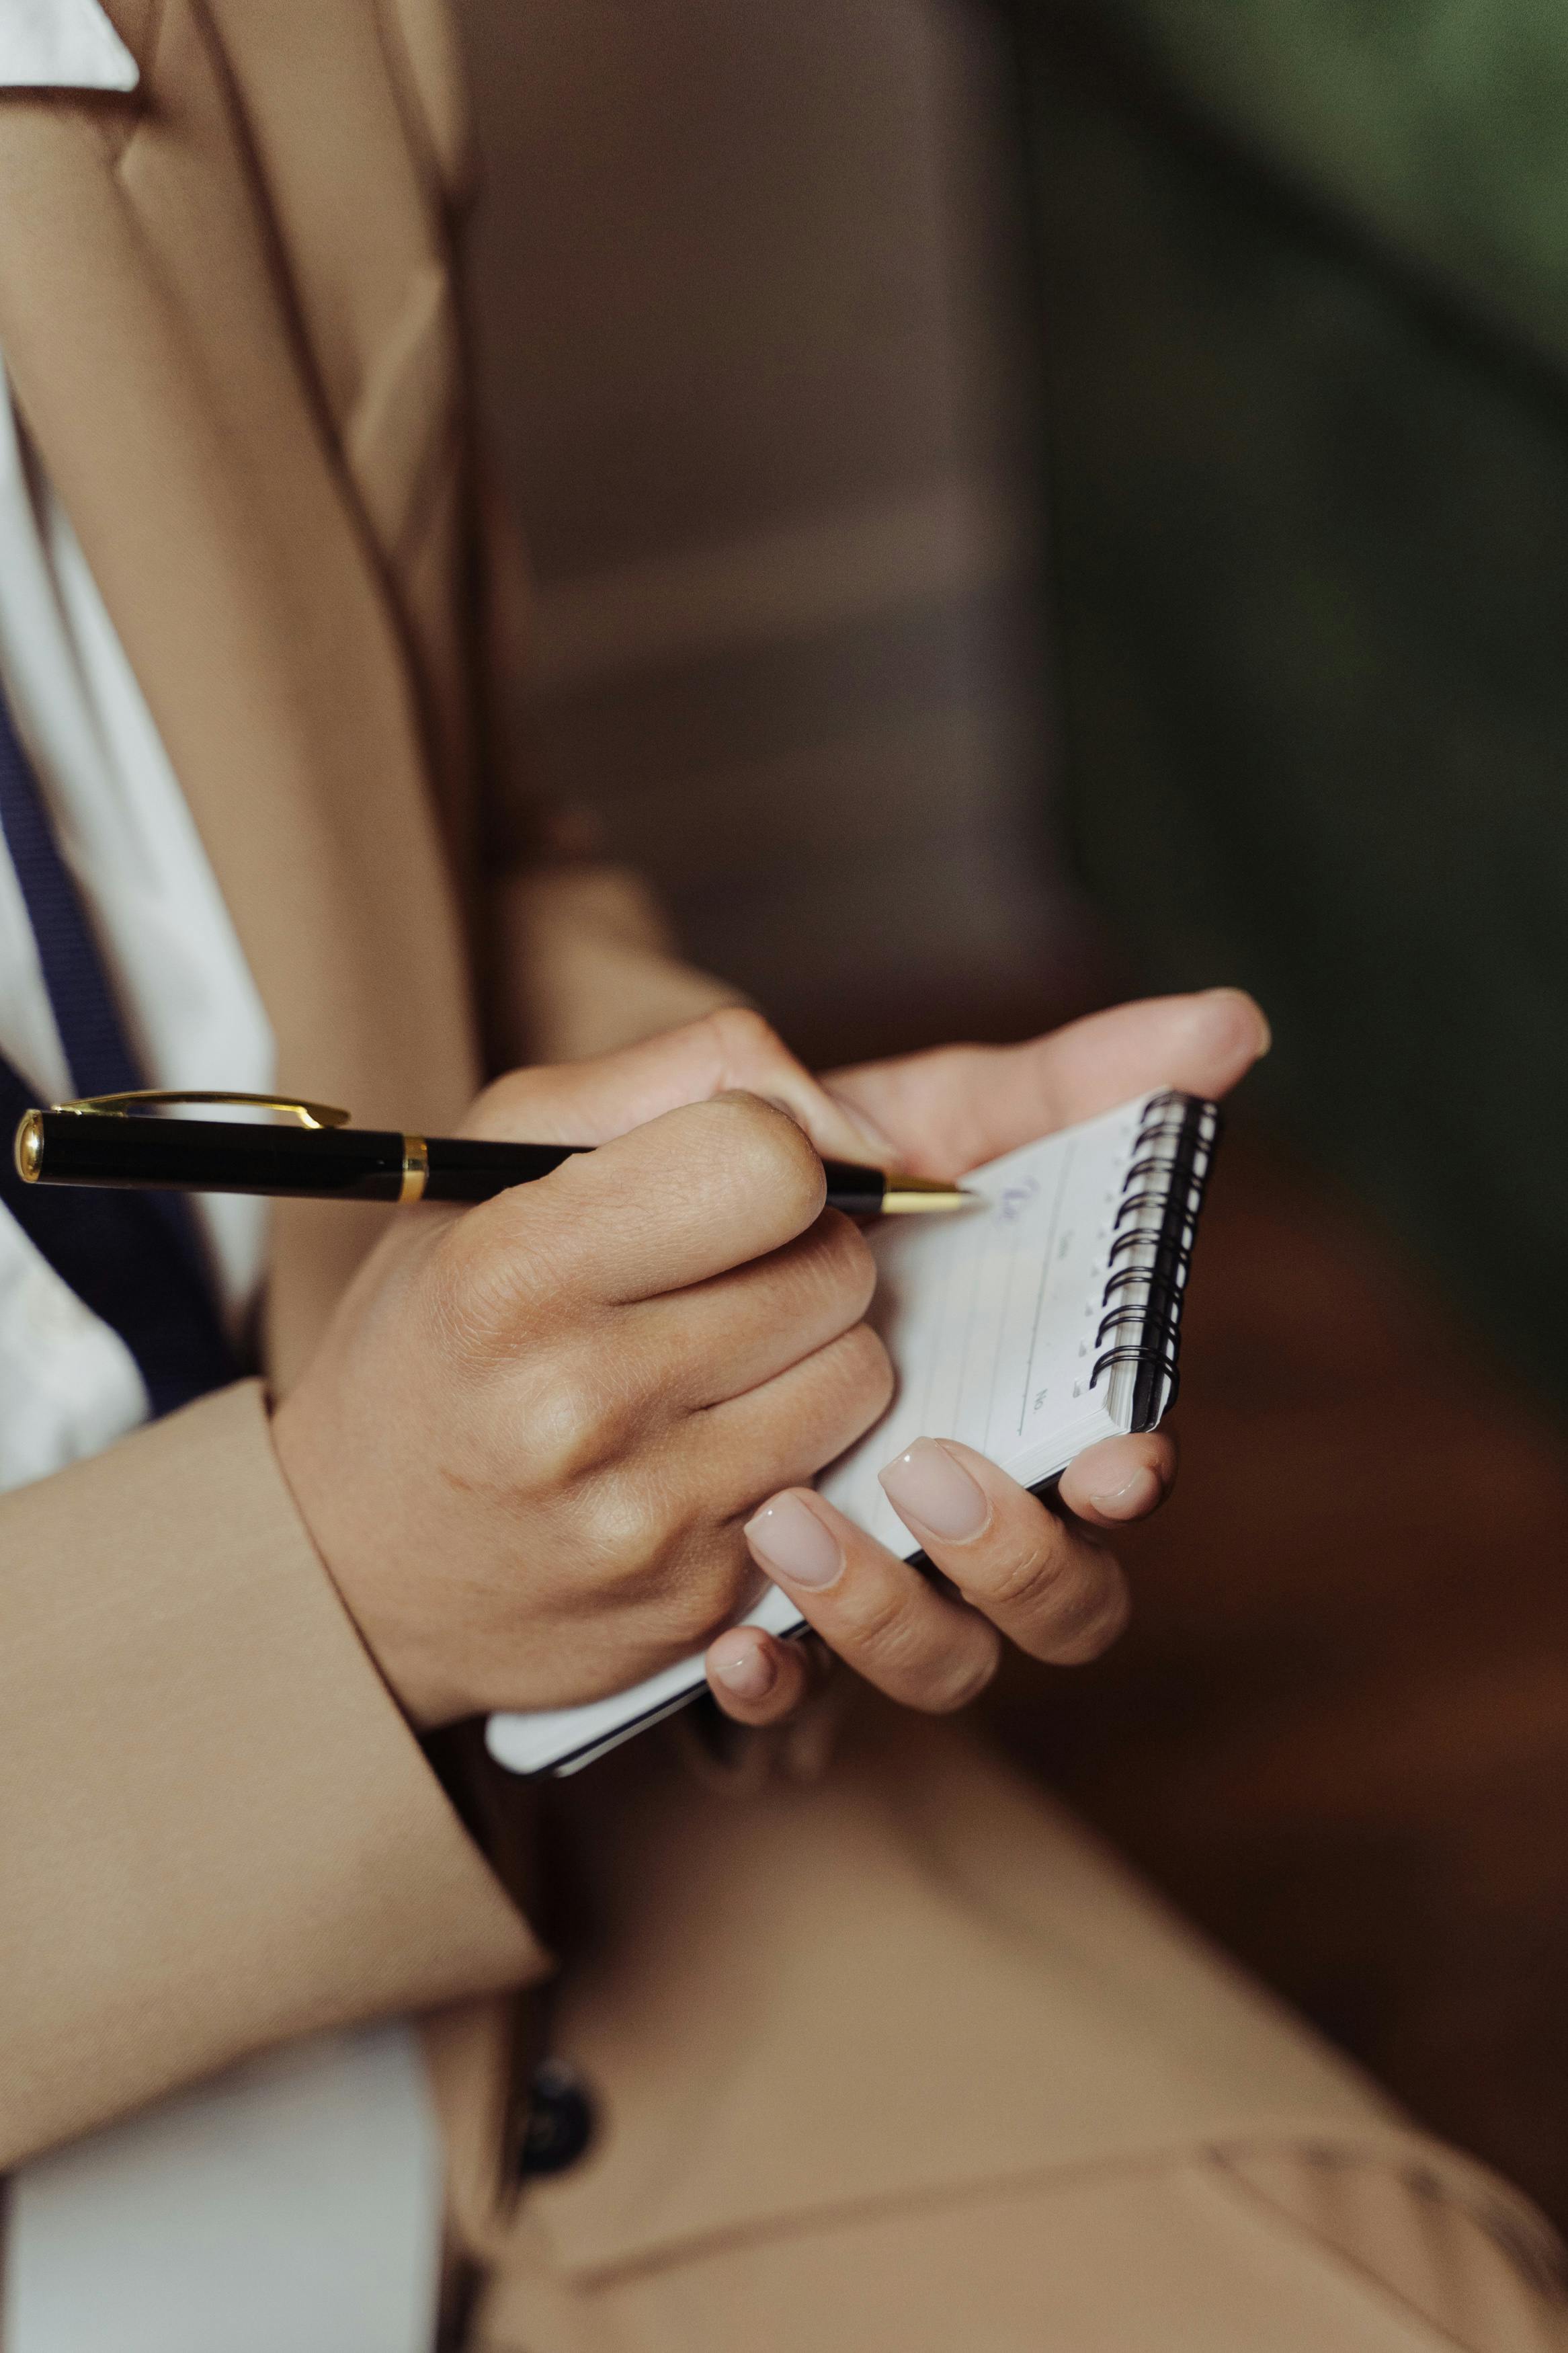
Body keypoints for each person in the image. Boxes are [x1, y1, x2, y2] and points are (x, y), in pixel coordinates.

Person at [0, 8, 1561, 2350]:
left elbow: (468, 836)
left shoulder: (265, 33)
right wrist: (338, 1584)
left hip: (548, 1954)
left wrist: (683, 1264)